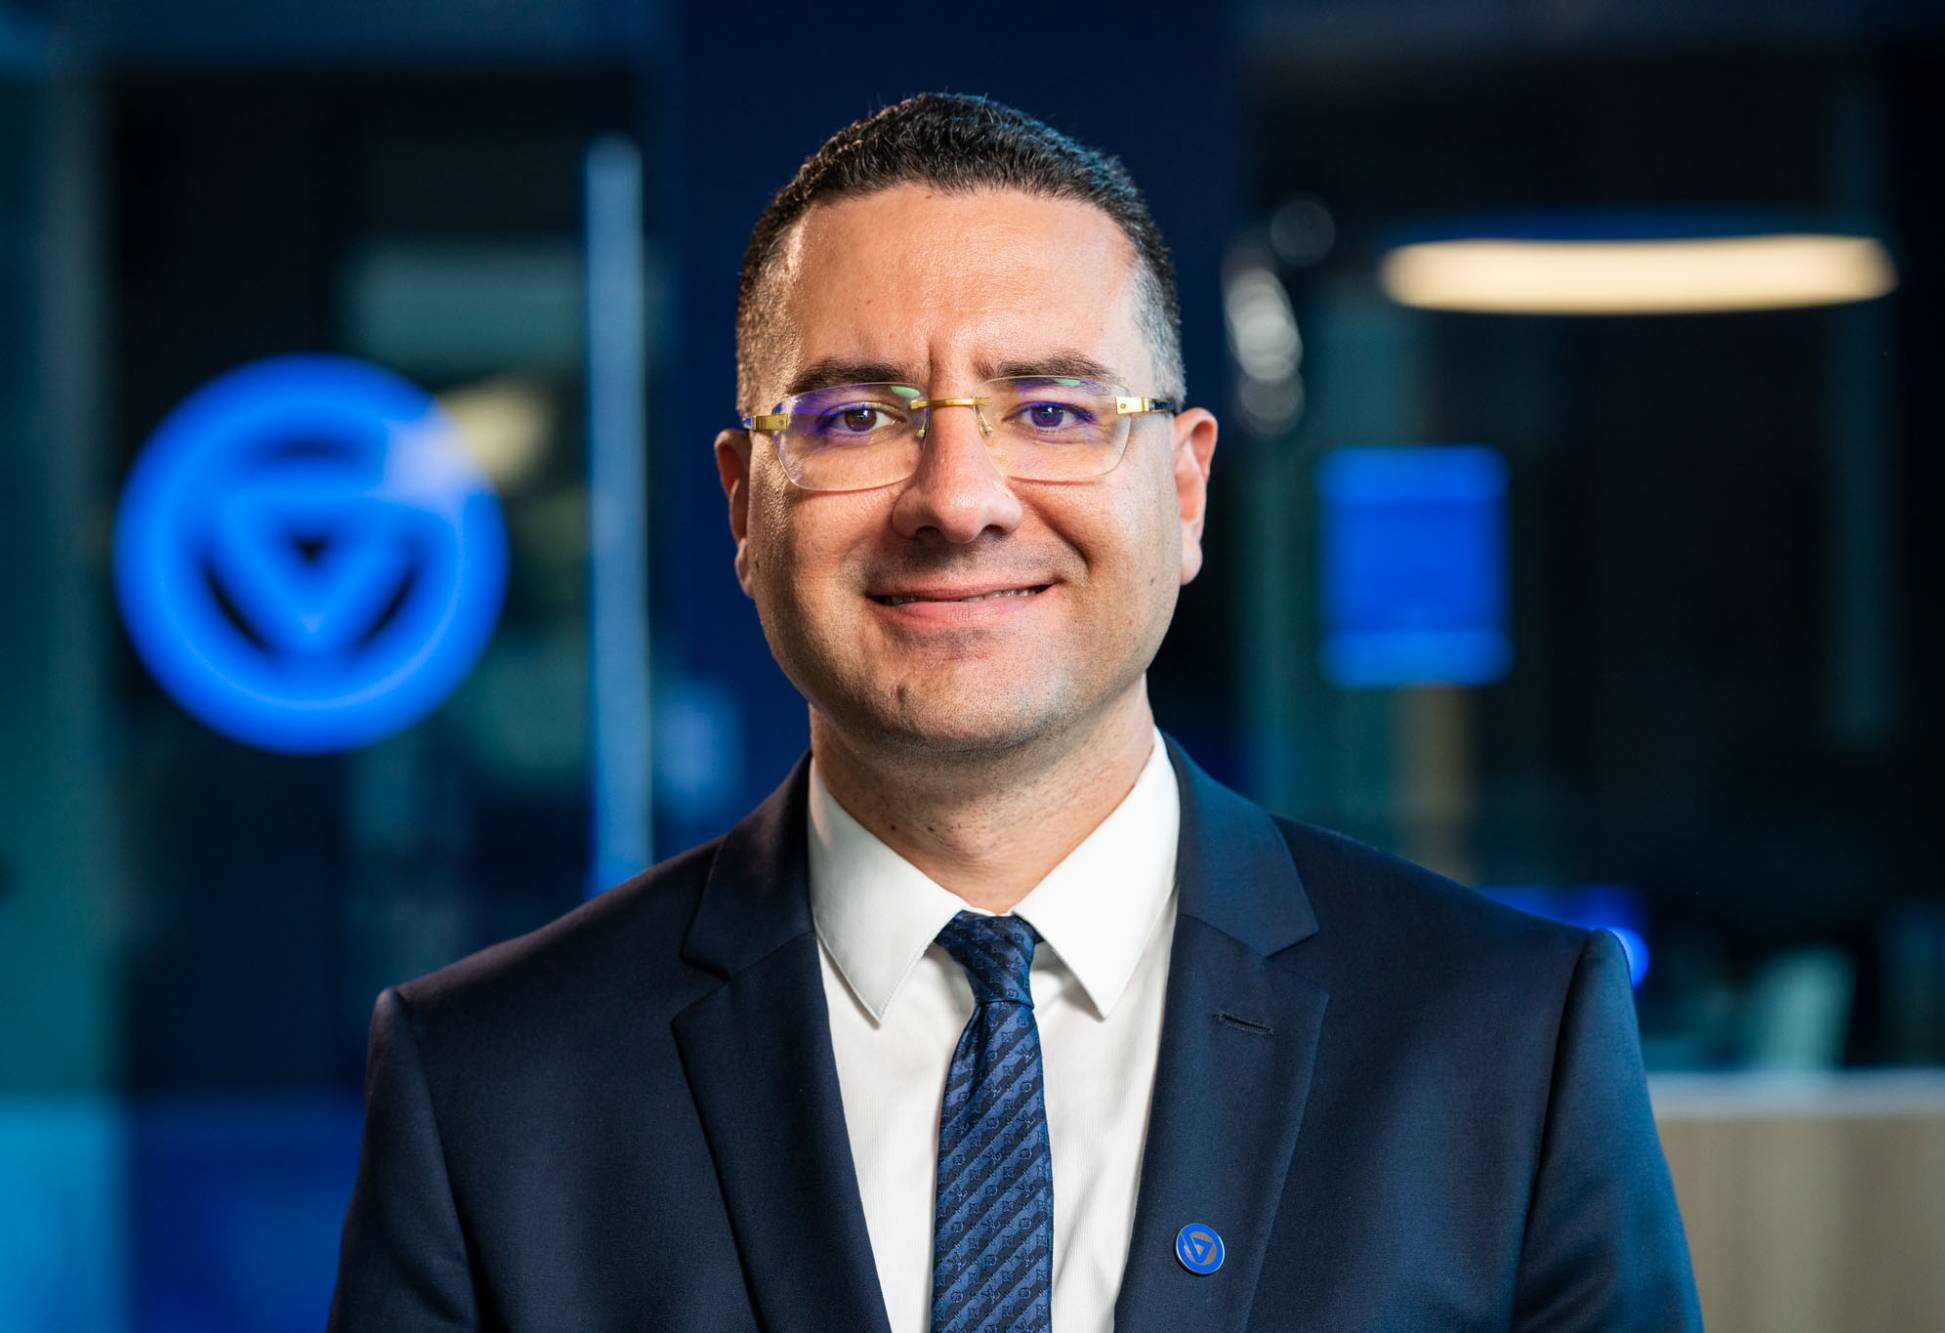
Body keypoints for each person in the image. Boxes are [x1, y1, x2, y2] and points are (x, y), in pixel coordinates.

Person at [328, 93, 1700, 1332]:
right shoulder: (491, 1089)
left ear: (1184, 487)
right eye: (859, 418)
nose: (958, 497)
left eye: (1051, 406)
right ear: (746, 505)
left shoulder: (1509, 1040)